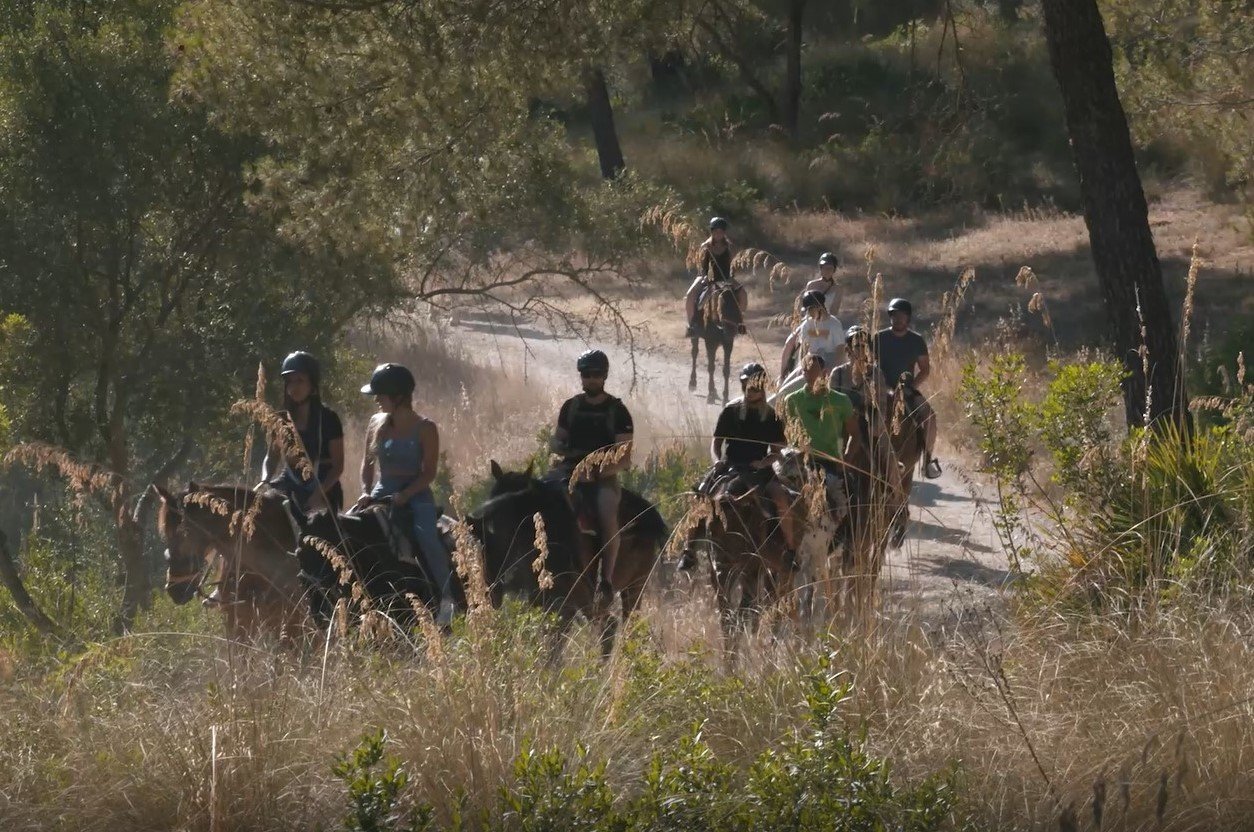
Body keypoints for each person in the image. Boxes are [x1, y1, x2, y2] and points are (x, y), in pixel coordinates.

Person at [355, 362, 455, 624]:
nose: (376, 399)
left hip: (415, 493)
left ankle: (446, 601)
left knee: (426, 537)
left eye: (381, 395)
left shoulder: (425, 428)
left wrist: (407, 494)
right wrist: (366, 492)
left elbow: (429, 472)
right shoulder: (376, 423)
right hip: (381, 491)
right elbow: (367, 465)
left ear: (398, 397)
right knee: (349, 527)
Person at [680, 362, 797, 570]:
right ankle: (689, 550)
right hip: (730, 467)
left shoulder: (772, 415)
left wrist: (763, 462)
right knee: (700, 496)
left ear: (762, 387)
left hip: (760, 471)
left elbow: (777, 452)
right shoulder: (731, 411)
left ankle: (790, 550)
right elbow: (716, 443)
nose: (751, 390)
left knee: (781, 500)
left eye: (755, 386)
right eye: (747, 385)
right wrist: (717, 461)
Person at [550, 349, 634, 596]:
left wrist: (597, 473)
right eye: (586, 374)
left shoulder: (618, 412)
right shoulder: (571, 407)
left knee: (607, 514)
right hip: (567, 472)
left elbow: (625, 457)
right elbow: (557, 441)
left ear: (604, 376)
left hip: (602, 478)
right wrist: (561, 449)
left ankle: (605, 580)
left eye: (596, 374)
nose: (591, 379)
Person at [259, 351, 345, 513]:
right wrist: (264, 480)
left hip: (322, 485)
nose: (294, 387)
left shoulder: (328, 418)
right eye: (290, 382)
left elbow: (338, 466)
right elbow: (271, 458)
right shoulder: (281, 419)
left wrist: (317, 494)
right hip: (289, 482)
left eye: (300, 381)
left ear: (312, 384)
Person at [873, 298, 942, 479]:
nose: (898, 319)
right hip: (881, 388)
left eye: (902, 316)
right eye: (894, 315)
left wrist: (911, 387)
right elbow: (869, 365)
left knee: (929, 416)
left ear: (908, 318)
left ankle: (927, 460)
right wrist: (882, 385)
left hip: (907, 390)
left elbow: (925, 369)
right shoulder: (879, 338)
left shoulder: (916, 340)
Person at [783, 354, 860, 500]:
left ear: (825, 372)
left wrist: (846, 460)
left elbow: (854, 433)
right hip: (798, 461)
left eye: (814, 370)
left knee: (849, 497)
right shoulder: (791, 400)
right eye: (807, 370)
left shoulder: (840, 401)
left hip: (829, 463)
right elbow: (783, 434)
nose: (810, 374)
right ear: (802, 373)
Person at [684, 216, 747, 338]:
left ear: (724, 232)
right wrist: (706, 277)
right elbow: (701, 265)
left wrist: (730, 276)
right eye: (716, 231)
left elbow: (733, 265)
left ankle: (740, 323)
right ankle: (691, 325)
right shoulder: (705, 246)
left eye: (721, 231)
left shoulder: (729, 247)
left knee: (743, 293)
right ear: (711, 231)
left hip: (725, 278)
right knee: (690, 295)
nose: (718, 234)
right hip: (706, 277)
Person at [779, 290, 845, 391]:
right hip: (810, 363)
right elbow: (804, 350)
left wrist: (831, 371)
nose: (808, 313)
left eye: (810, 310)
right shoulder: (807, 325)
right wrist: (803, 367)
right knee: (784, 387)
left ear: (819, 307)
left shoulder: (834, 324)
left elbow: (840, 352)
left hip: (828, 365)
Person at [801, 251, 843, 318]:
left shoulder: (837, 289)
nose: (827, 271)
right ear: (821, 268)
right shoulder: (811, 285)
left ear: (834, 270)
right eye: (825, 268)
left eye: (830, 268)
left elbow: (834, 312)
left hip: (826, 320)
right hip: (810, 320)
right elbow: (805, 308)